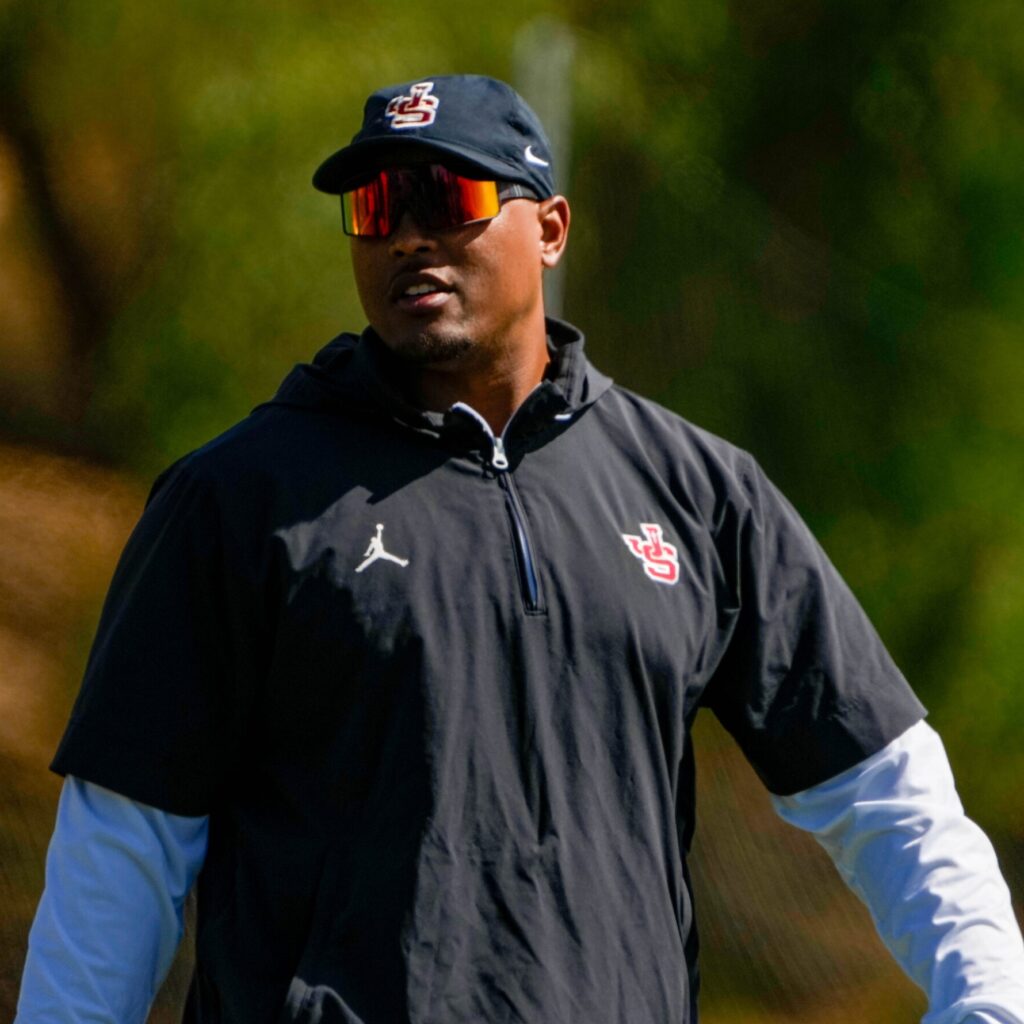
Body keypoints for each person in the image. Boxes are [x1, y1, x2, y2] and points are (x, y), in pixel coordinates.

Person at [16, 74, 1024, 1024]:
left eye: (445, 197)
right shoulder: (236, 500)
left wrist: (988, 994)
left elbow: (880, 784)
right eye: (375, 210)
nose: (409, 237)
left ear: (548, 229)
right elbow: (126, 840)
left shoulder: (697, 492)